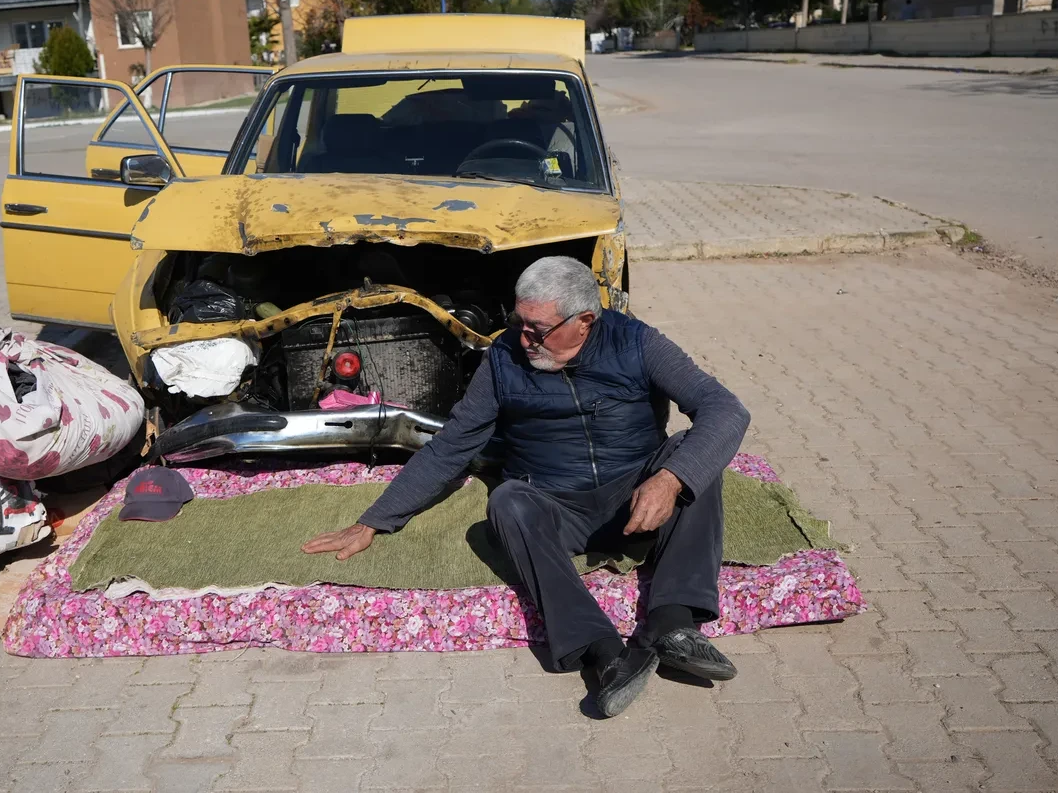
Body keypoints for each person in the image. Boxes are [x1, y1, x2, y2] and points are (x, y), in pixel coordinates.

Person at [302, 256, 751, 717]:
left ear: (584, 322)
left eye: (538, 329)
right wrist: (375, 520)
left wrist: (670, 479)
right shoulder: (503, 359)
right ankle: (605, 655)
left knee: (694, 456)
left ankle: (674, 625)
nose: (524, 339)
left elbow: (726, 410)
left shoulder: (636, 341)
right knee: (509, 500)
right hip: (558, 508)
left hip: (637, 499)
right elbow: (452, 445)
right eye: (520, 323)